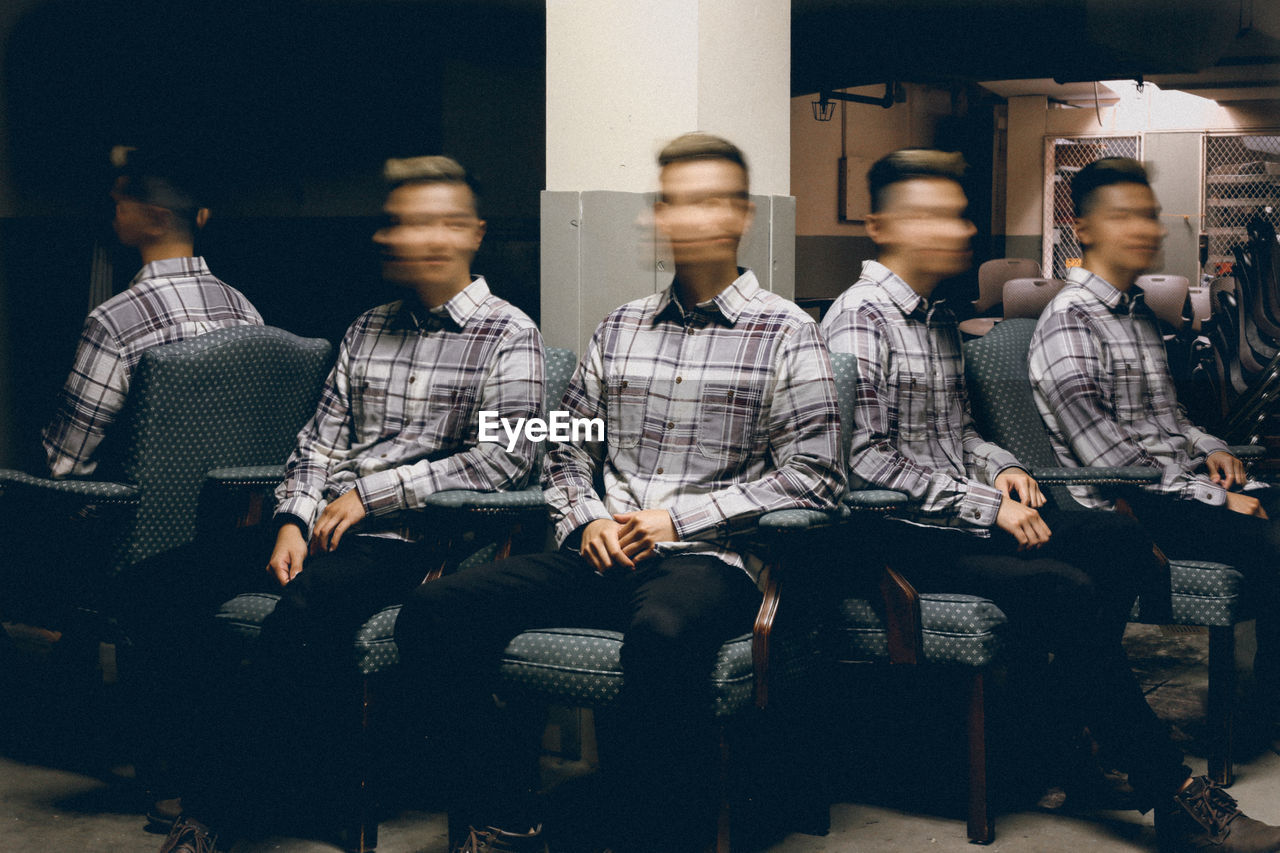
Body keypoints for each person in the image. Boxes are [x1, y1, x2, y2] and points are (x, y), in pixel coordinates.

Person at [392, 132, 845, 853]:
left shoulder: (791, 333)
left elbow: (816, 477)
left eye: (705, 201)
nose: (684, 217)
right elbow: (567, 446)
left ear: (738, 216)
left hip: (712, 561)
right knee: (435, 609)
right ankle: (511, 814)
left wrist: (677, 518)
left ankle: (660, 835)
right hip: (604, 550)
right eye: (672, 201)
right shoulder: (619, 326)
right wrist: (586, 520)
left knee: (661, 635)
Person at [823, 148, 1280, 853]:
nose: (959, 227)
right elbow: (863, 459)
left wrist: (999, 466)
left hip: (952, 518)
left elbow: (961, 432)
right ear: (882, 226)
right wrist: (984, 505)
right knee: (1066, 587)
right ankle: (1171, 791)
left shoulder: (934, 316)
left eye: (959, 212)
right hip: (901, 535)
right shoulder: (861, 317)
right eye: (937, 214)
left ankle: (1069, 745)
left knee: (1115, 541)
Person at [154, 155, 545, 852]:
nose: (402, 236)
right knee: (165, 586)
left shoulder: (509, 333)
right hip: (327, 527)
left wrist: (375, 493)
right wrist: (292, 519)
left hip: (416, 541)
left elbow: (507, 458)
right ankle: (220, 779)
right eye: (396, 221)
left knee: (301, 612)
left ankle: (220, 812)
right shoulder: (367, 326)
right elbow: (317, 441)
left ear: (469, 234)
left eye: (426, 221)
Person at [1029, 157, 1280, 709]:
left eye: (1151, 215)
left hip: (1176, 488)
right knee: (1270, 538)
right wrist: (1215, 499)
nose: (1149, 230)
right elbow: (1111, 460)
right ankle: (1267, 710)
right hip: (1129, 507)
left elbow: (1171, 421)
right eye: (1127, 217)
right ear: (1084, 228)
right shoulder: (1070, 320)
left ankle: (1267, 700)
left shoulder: (1136, 316)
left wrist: (1212, 450)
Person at [42, 148, 262, 478]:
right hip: (228, 522)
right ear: (200, 218)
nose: (114, 208)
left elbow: (64, 462)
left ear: (157, 219)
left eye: (121, 203)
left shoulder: (115, 322)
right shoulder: (247, 313)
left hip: (131, 523)